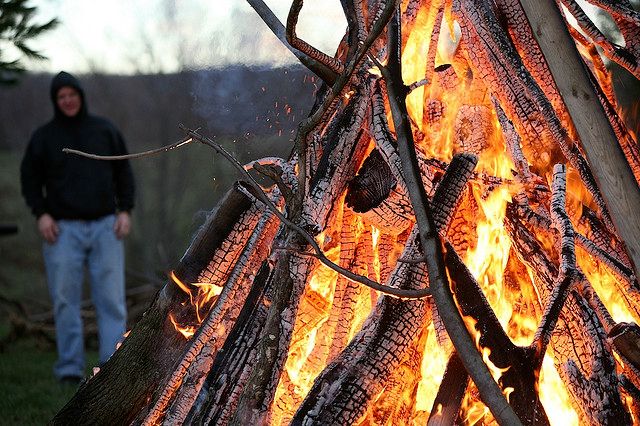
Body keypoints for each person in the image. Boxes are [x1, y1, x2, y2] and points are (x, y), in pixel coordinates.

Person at [20, 71, 135, 384]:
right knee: (65, 299)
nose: (68, 100)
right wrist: (41, 214)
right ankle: (69, 368)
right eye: (61, 96)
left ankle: (111, 366)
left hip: (105, 227)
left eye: (72, 94)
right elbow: (29, 179)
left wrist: (125, 210)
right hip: (62, 230)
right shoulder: (44, 138)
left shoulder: (104, 130)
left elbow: (124, 172)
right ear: (56, 101)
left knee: (111, 299)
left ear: (80, 95)